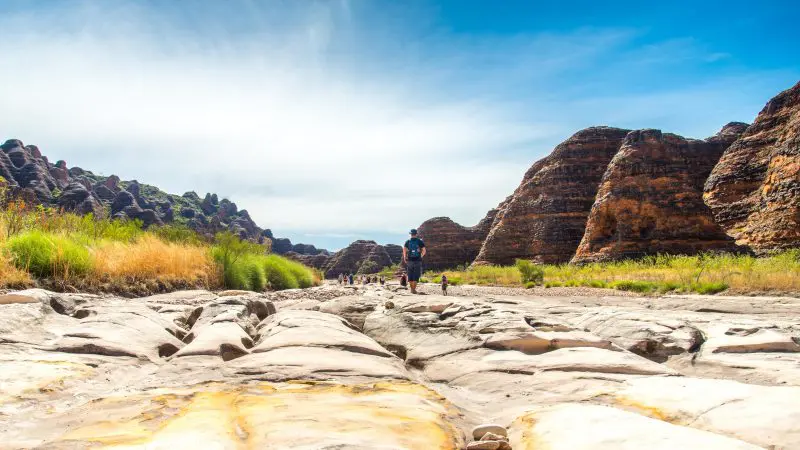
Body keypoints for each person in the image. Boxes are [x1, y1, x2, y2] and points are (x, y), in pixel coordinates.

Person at [402, 229, 426, 294]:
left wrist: (405, 257)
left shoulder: (408, 241)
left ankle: (411, 289)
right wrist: (420, 256)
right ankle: (414, 289)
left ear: (411, 234)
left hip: (410, 260)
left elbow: (404, 250)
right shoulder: (419, 241)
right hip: (417, 260)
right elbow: (424, 251)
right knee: (416, 275)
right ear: (416, 234)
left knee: (410, 274)